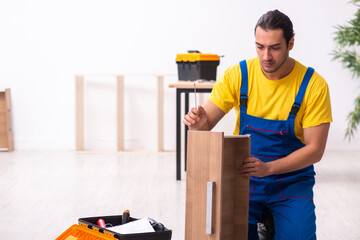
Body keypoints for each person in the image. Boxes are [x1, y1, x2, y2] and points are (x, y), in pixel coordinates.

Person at [183, 9, 332, 240]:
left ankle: (272, 222)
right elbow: (203, 127)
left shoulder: (313, 85)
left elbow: (315, 150)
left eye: (275, 47)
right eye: (260, 47)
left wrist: (269, 168)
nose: (266, 56)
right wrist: (198, 124)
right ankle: (265, 225)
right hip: (245, 178)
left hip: (292, 183)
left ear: (291, 43)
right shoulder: (238, 75)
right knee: (228, 233)